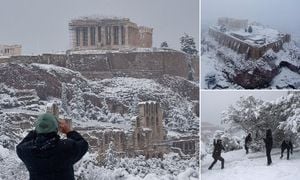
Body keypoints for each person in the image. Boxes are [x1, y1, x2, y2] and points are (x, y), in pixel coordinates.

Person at [16, 113, 89, 180]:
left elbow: (20, 146)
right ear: (56, 129)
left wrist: (38, 130)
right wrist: (69, 131)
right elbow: (83, 144)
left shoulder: (27, 151)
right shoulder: (66, 148)